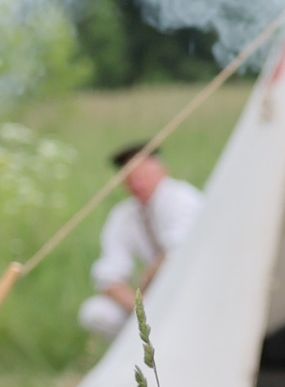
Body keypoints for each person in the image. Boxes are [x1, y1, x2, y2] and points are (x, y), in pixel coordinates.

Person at [80, 143, 204, 338]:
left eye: (143, 176)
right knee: (96, 312)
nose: (137, 185)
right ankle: (146, 351)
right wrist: (140, 308)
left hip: (194, 291)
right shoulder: (123, 216)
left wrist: (147, 279)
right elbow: (109, 274)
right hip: (151, 300)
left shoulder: (183, 199)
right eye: (130, 179)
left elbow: (178, 253)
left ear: (163, 171)